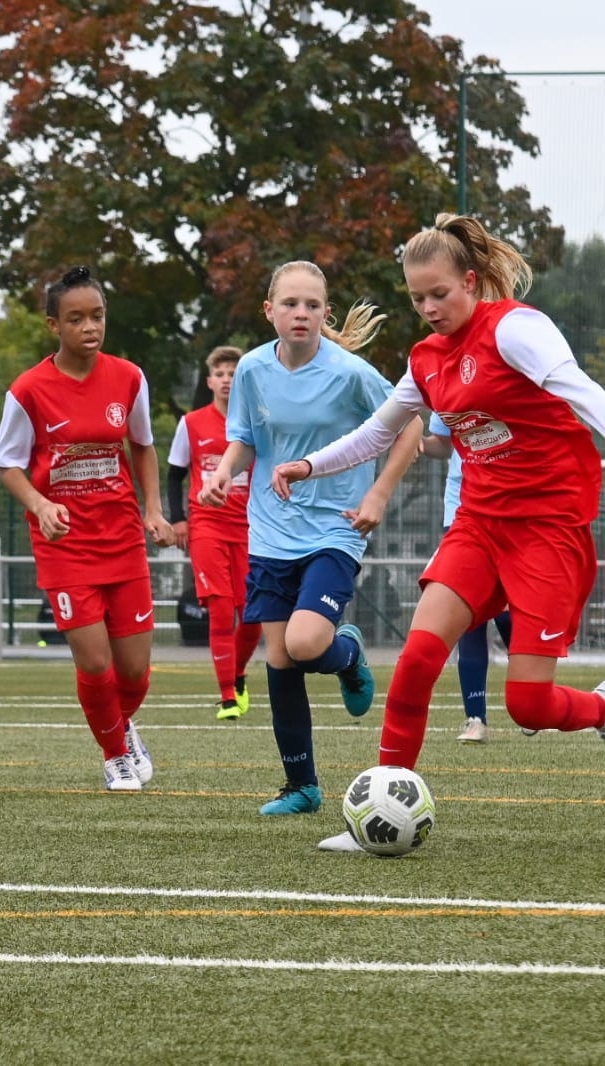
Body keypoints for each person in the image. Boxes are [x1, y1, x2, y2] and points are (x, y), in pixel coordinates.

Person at [270, 213, 605, 854]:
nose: (429, 308)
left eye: (439, 293)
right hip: (479, 526)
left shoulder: (515, 329)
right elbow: (378, 433)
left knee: (528, 705)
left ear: (469, 281)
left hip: (547, 529)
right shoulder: (426, 360)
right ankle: (378, 810)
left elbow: (581, 390)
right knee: (416, 661)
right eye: (417, 299)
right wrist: (309, 464)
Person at [199, 261, 422, 817]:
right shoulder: (251, 369)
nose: (301, 313)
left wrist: (378, 495)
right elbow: (246, 439)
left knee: (304, 644)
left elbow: (412, 424)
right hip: (270, 531)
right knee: (280, 659)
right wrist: (224, 472)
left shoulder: (350, 373)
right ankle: (302, 786)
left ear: (325, 313)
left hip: (334, 529)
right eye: (291, 304)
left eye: (313, 305)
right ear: (269, 311)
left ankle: (348, 656)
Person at [0, 265, 175, 792]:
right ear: (54, 325)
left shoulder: (128, 378)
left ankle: (120, 725)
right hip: (65, 546)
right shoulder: (29, 390)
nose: (90, 327)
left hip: (122, 539)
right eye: (76, 319)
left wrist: (153, 510)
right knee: (95, 665)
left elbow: (142, 446)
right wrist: (40, 504)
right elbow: (7, 464)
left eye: (97, 316)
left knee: (134, 672)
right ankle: (116, 756)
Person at [167, 346, 263, 720]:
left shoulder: (256, 422)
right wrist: (179, 519)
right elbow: (175, 474)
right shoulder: (191, 423)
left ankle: (237, 675)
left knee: (252, 615)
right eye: (220, 374)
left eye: (233, 374)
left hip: (250, 528)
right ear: (209, 381)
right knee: (221, 610)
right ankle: (227, 698)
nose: (226, 380)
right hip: (207, 526)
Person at [419, 417, 514, 743]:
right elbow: (443, 444)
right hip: (460, 512)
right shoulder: (446, 392)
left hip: (507, 506)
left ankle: (530, 694)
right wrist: (416, 442)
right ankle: (476, 719)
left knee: (507, 612)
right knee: (468, 615)